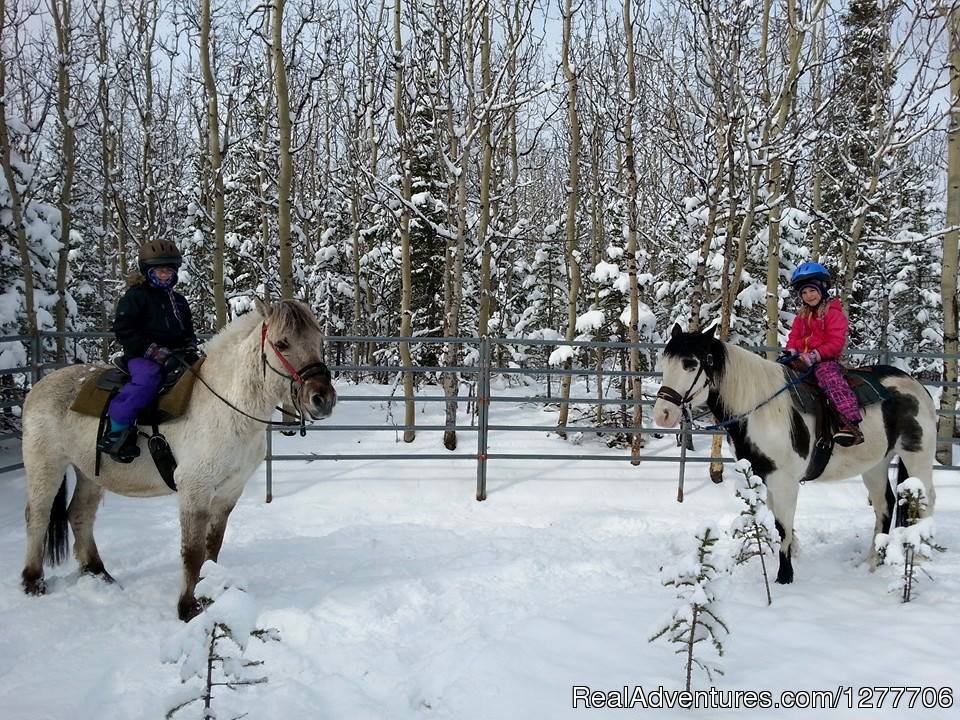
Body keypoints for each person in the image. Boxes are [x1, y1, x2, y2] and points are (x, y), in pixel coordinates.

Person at [97, 240, 198, 462]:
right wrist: (152, 351)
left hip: (175, 355)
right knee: (147, 380)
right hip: (142, 355)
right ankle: (116, 432)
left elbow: (188, 329)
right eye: (159, 271)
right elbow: (124, 329)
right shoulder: (136, 297)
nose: (164, 276)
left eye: (169, 271)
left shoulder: (178, 301)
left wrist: (190, 345)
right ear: (148, 272)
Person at [782, 261, 864, 447]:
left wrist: (815, 355)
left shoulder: (833, 312)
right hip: (801, 359)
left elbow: (836, 341)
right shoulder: (802, 314)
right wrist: (791, 350)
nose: (808, 296)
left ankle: (850, 423)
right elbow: (795, 336)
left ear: (822, 288)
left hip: (824, 360)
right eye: (804, 292)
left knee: (829, 378)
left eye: (812, 290)